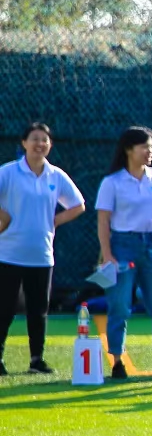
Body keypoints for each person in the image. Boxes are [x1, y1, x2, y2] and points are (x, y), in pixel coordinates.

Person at [94, 126, 152, 380]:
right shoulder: (112, 182)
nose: (150, 151)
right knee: (120, 305)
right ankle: (117, 360)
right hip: (122, 247)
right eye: (144, 146)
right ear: (128, 149)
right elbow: (103, 221)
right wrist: (107, 254)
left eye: (151, 146)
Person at [0, 123, 86, 375]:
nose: (40, 144)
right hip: (8, 253)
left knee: (38, 310)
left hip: (41, 255)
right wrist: (3, 215)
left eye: (45, 140)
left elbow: (78, 205)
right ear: (24, 143)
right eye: (35, 139)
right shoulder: (8, 172)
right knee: (4, 308)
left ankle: (37, 359)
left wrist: (56, 220)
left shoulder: (55, 175)